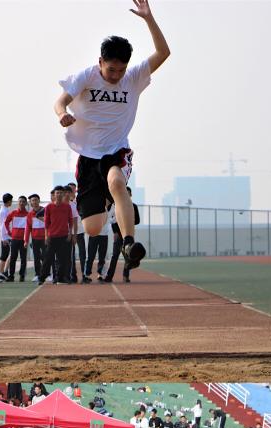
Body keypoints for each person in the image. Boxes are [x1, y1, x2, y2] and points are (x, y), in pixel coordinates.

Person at [55, 0, 169, 273]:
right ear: (100, 62)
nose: (116, 75)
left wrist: (149, 19)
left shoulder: (133, 78)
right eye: (111, 70)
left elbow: (163, 52)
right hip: (88, 156)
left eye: (121, 70)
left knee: (117, 181)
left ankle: (129, 244)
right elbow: (60, 101)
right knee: (93, 228)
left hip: (116, 150)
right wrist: (62, 114)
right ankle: (109, 201)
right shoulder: (87, 76)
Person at [101, 186, 141, 282]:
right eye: (125, 192)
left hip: (129, 235)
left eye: (128, 193)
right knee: (115, 256)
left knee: (129, 256)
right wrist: (115, 232)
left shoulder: (134, 206)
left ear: (130, 195)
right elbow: (113, 220)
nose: (126, 194)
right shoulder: (117, 206)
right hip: (118, 235)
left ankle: (125, 276)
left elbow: (137, 220)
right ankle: (109, 277)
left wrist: (129, 221)